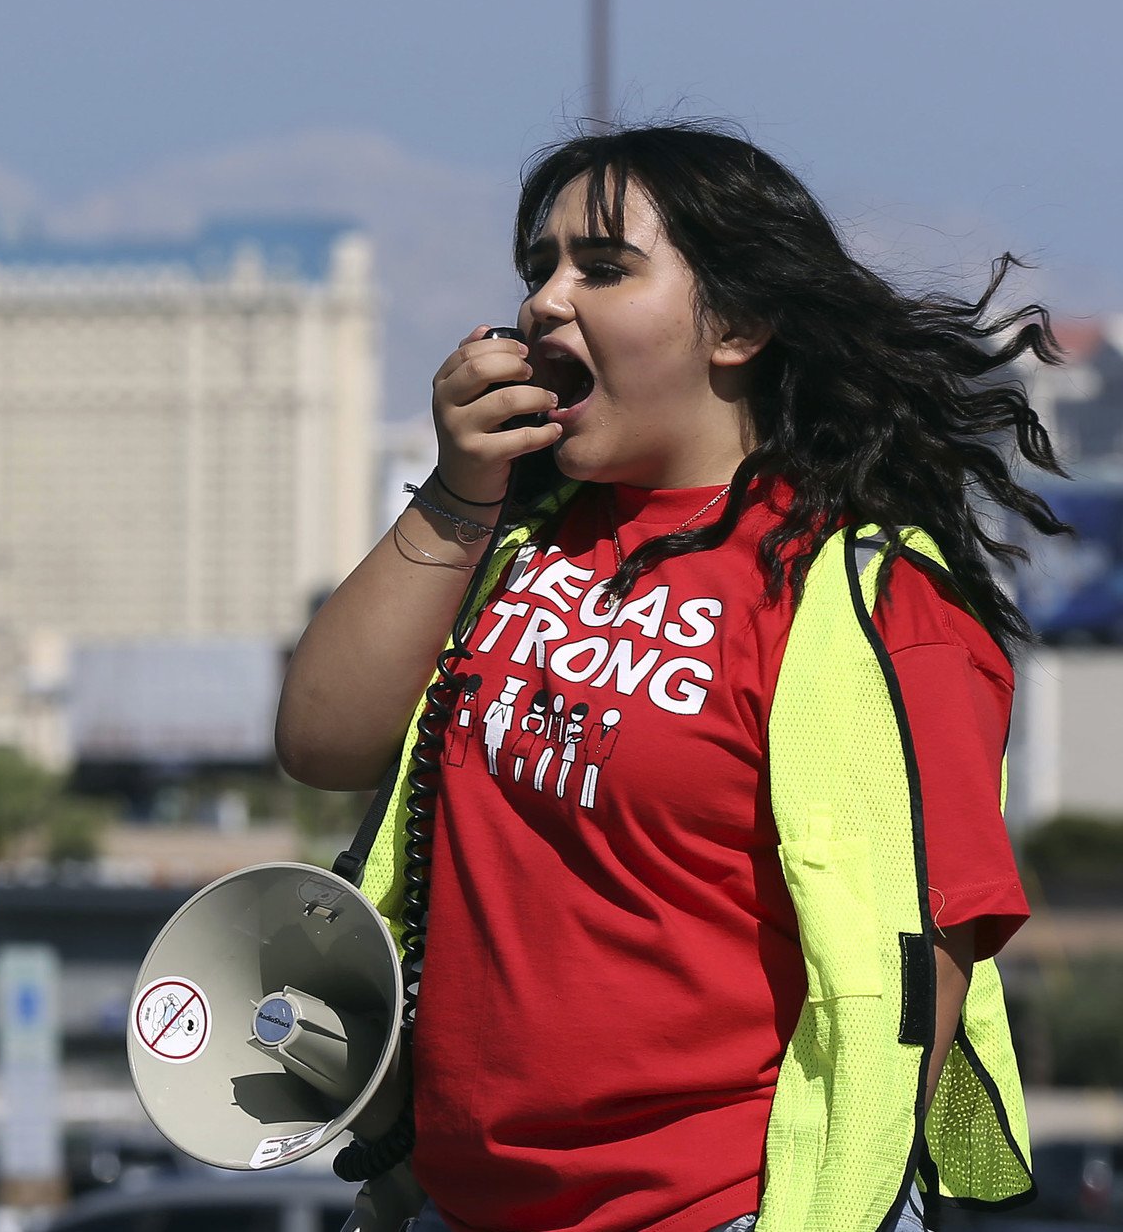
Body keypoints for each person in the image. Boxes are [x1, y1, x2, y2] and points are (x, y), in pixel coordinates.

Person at [275, 121, 1068, 1232]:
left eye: (601, 268)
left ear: (736, 325)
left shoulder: (869, 601)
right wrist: (456, 494)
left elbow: (916, 970)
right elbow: (320, 742)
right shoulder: (516, 543)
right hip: (462, 1205)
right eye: (537, 269)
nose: (545, 301)